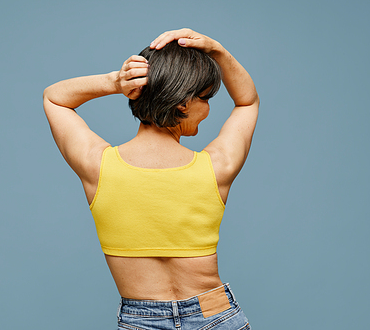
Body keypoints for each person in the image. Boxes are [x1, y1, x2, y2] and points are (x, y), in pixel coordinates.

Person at [43, 28, 259, 330]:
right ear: (183, 103)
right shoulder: (217, 168)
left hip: (142, 321)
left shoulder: (98, 167)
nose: (208, 108)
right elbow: (248, 101)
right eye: (206, 98)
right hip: (215, 314)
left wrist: (115, 82)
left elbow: (54, 98)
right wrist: (218, 50)